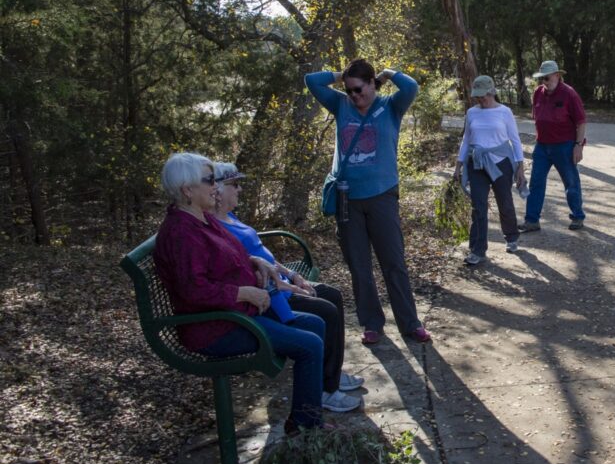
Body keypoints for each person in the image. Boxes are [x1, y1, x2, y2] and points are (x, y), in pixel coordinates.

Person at [153, 152, 330, 434]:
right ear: (188, 190)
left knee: (316, 323)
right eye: (209, 180)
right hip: (215, 328)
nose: (215, 186)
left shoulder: (201, 219)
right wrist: (244, 293)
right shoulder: (181, 234)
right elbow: (193, 290)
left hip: (235, 316)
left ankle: (309, 409)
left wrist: (254, 261)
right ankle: (305, 427)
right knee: (310, 345)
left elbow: (225, 256)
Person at [213, 162, 364, 413]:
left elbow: (263, 254)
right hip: (269, 293)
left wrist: (293, 275)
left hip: (279, 283)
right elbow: (247, 273)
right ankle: (327, 389)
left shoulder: (232, 217)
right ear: (216, 190)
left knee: (332, 295)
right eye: (234, 185)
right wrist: (289, 288)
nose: (239, 190)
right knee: (325, 311)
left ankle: (331, 375)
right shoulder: (217, 228)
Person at [306, 59, 431, 346]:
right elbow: (311, 80)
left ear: (373, 84)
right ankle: (372, 323)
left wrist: (387, 73)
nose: (354, 96)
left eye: (359, 89)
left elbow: (411, 86)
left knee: (394, 262)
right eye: (349, 90)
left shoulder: (391, 107)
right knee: (359, 265)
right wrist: (342, 76)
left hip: (382, 196)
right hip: (347, 199)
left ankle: (410, 323)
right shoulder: (341, 105)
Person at [454, 75, 527, 265]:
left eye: (483, 96)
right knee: (478, 207)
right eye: (477, 96)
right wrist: (459, 164)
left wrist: (520, 167)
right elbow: (466, 140)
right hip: (477, 163)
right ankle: (477, 250)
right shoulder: (471, 112)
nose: (480, 100)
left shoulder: (505, 112)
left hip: (500, 162)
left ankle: (511, 237)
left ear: (492, 92)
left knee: (505, 202)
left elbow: (515, 140)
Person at [518, 60, 587, 232]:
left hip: (564, 145)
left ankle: (577, 216)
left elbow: (581, 122)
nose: (544, 82)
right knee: (536, 182)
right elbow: (537, 118)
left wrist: (578, 145)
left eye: (547, 78)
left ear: (557, 76)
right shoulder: (538, 93)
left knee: (571, 182)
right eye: (542, 79)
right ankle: (532, 220)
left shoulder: (569, 94)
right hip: (542, 145)